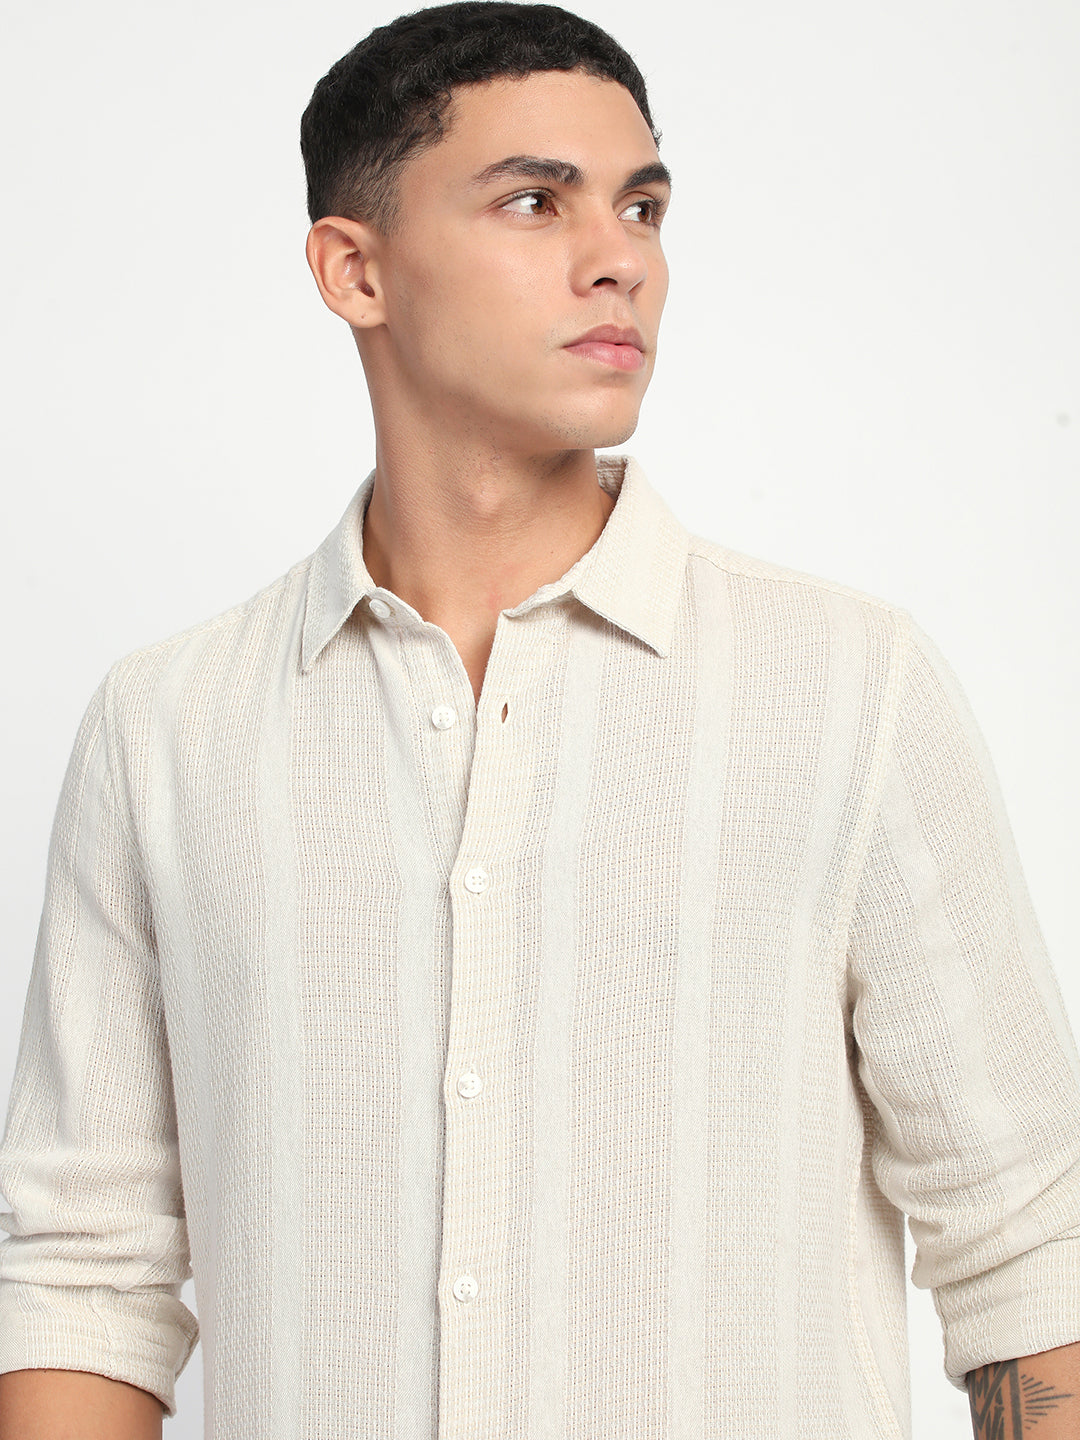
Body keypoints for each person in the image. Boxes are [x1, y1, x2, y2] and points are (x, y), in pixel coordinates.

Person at [1, 3, 1078, 1436]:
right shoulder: (167, 728)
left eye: (643, 206)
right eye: (534, 201)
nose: (619, 256)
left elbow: (1027, 1242)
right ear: (355, 270)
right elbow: (85, 1273)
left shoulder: (847, 687)